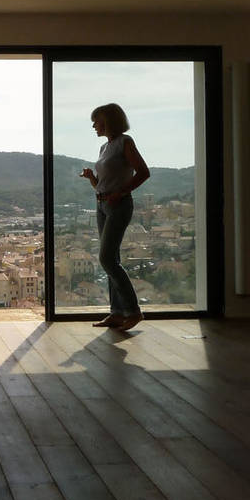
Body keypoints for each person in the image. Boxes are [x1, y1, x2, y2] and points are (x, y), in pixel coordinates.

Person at [80, 103, 151, 330]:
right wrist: (93, 178)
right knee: (112, 260)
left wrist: (120, 192)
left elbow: (143, 172)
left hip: (118, 205)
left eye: (97, 120)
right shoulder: (104, 147)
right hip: (102, 205)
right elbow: (103, 184)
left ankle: (133, 311)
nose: (93, 125)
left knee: (107, 259)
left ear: (109, 121)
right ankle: (117, 312)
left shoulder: (124, 142)